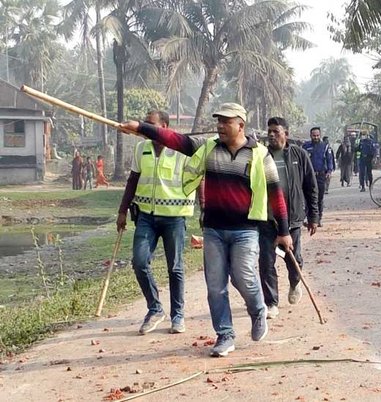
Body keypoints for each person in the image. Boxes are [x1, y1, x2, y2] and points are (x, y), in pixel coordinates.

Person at [120, 103, 292, 357]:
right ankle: (225, 335)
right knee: (215, 286)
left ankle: (257, 310)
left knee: (242, 276)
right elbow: (175, 140)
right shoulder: (208, 148)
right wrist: (142, 128)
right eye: (218, 121)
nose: (220, 126)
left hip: (245, 230)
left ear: (240, 125)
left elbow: (275, 194)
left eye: (226, 122)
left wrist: (284, 230)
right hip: (214, 229)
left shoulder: (259, 154)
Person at [117, 110, 195, 335]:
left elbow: (197, 179)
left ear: (165, 126)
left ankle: (178, 315)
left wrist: (203, 206)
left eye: (150, 125)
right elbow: (133, 180)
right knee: (139, 261)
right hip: (146, 217)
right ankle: (155, 309)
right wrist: (122, 211)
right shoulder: (141, 148)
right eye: (144, 124)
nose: (146, 129)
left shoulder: (180, 149)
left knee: (175, 267)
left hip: (174, 216)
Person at [259, 117, 319, 319]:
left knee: (293, 260)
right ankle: (271, 303)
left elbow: (310, 186)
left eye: (276, 131)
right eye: (270, 131)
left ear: (286, 133)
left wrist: (314, 216)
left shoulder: (299, 155)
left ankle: (294, 283)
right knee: (266, 262)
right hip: (267, 220)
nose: (272, 134)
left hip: (292, 219)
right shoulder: (261, 155)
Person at [302, 127, 334, 225]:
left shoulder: (325, 146)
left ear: (320, 135)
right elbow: (301, 160)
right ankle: (309, 219)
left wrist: (329, 171)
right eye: (314, 135)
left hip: (321, 175)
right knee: (308, 197)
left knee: (319, 198)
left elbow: (329, 160)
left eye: (317, 135)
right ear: (310, 135)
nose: (316, 137)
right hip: (308, 176)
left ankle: (318, 219)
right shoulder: (305, 146)